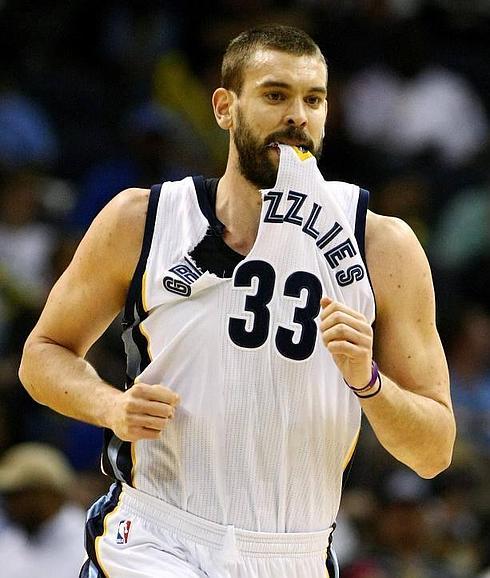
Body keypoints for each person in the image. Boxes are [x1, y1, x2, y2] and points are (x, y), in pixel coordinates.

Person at [18, 25, 456, 578]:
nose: (298, 115)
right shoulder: (143, 219)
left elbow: (434, 450)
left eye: (313, 100)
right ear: (225, 107)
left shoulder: (382, 245)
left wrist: (368, 380)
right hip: (157, 538)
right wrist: (111, 407)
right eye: (276, 95)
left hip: (294, 552)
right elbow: (42, 355)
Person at [0, 442, 86, 578]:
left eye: (18, 495)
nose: (9, 504)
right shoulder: (10, 541)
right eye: (7, 496)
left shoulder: (89, 542)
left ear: (48, 494)